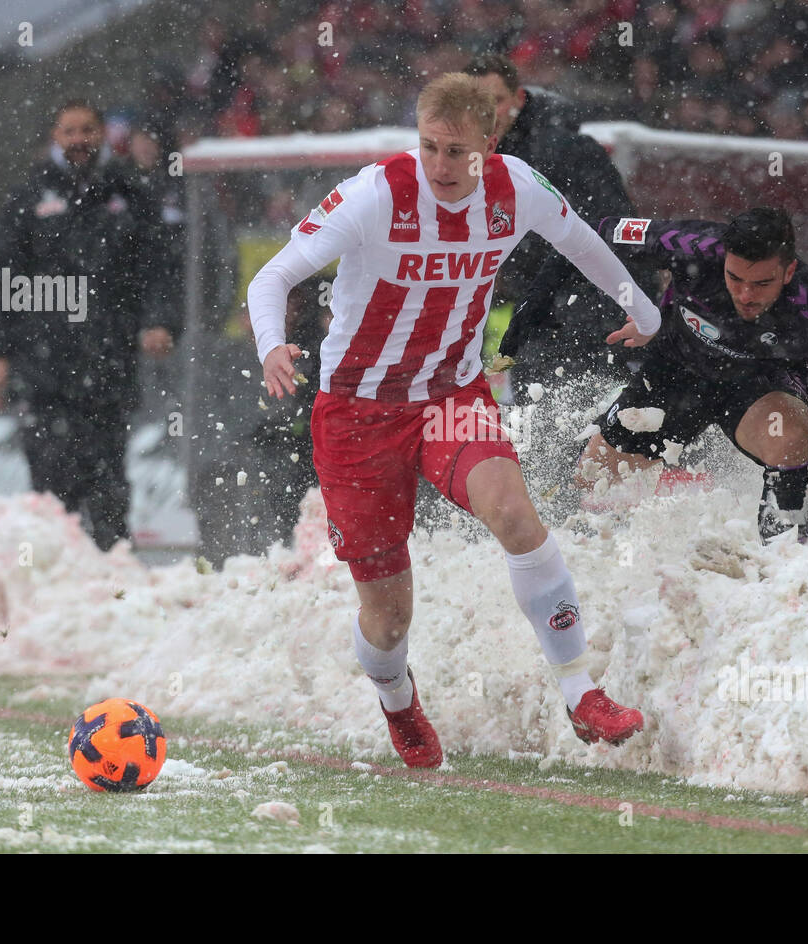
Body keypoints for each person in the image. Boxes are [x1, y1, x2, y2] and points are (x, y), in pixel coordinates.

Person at [246, 74, 662, 768]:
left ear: (490, 146)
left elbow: (584, 243)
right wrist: (270, 346)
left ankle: (581, 689)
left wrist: (643, 310)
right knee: (388, 616)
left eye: (458, 152)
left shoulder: (517, 187)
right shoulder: (375, 195)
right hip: (356, 412)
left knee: (516, 515)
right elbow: (271, 278)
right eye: (430, 148)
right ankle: (397, 699)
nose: (441, 166)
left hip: (450, 397)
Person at [501, 207, 808, 544]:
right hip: (675, 372)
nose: (746, 295)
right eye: (735, 279)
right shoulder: (692, 244)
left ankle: (784, 561)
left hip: (759, 387)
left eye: (762, 284)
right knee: (592, 476)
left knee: (787, 435)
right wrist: (536, 300)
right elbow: (587, 232)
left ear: (788, 272)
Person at [0, 99, 180, 551]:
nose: (79, 140)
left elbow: (159, 268)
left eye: (87, 130)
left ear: (102, 135)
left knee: (109, 479)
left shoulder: (129, 193)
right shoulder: (28, 197)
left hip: (109, 362)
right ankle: (55, 575)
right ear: (55, 136)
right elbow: (0, 280)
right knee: (52, 486)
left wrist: (158, 323)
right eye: (69, 130)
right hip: (43, 366)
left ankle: (113, 577)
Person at [463, 53, 641, 393]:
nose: (486, 112)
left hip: (584, 309)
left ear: (518, 98)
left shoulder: (566, 149)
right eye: (475, 103)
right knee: (540, 417)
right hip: (536, 311)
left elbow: (615, 228)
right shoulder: (471, 158)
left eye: (495, 101)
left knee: (582, 417)